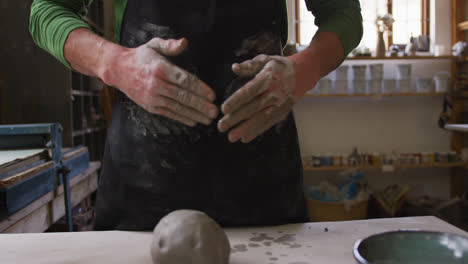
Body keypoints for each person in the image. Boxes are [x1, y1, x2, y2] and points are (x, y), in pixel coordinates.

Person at [30, 0, 363, 230]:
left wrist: (303, 69)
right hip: (142, 188)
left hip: (263, 187)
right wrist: (115, 63)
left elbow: (345, 14)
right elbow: (46, 11)